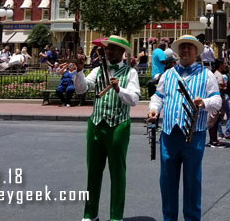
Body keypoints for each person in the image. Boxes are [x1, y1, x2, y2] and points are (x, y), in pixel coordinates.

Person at [147, 35, 221, 221]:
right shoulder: (168, 74)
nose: (186, 51)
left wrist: (204, 102)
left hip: (194, 136)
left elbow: (217, 100)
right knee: (167, 182)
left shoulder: (206, 75)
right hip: (169, 135)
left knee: (192, 183)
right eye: (182, 48)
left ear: (196, 52)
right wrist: (154, 109)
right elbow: (158, 96)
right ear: (178, 52)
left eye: (190, 47)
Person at [74, 35, 140, 221]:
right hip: (95, 124)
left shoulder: (130, 73)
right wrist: (79, 72)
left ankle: (116, 216)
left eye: (112, 48)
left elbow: (134, 99)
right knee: (93, 172)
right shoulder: (98, 70)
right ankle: (90, 214)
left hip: (118, 125)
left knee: (117, 173)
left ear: (122, 52)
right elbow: (82, 89)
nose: (108, 51)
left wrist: (120, 89)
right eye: (107, 48)